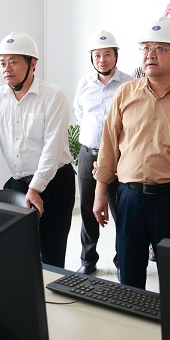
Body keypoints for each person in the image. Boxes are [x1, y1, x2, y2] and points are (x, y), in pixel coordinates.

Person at [93, 17, 170, 289]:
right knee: (129, 273)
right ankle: (132, 313)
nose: (150, 54)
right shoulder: (125, 94)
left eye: (160, 48)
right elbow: (109, 146)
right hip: (130, 198)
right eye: (146, 48)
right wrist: (100, 192)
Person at [0, 32, 75, 268]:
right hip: (19, 182)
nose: (6, 69)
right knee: (17, 252)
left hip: (55, 183)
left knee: (51, 254)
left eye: (13, 62)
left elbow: (52, 150)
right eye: (2, 63)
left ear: (32, 64)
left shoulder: (53, 97)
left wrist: (36, 188)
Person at [73, 30, 133, 275]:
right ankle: (88, 259)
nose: (102, 60)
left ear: (116, 55)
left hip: (120, 158)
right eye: (97, 55)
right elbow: (80, 113)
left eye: (107, 54)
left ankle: (122, 261)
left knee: (121, 212)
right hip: (89, 154)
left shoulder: (129, 84)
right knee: (88, 209)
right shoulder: (84, 84)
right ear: (92, 58)